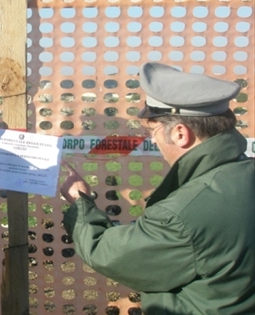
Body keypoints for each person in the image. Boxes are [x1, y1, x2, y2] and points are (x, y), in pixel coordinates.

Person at [60, 62, 254, 314]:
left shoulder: (181, 214)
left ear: (181, 134)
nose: (151, 140)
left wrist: (80, 202)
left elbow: (108, 253)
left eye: (152, 131)